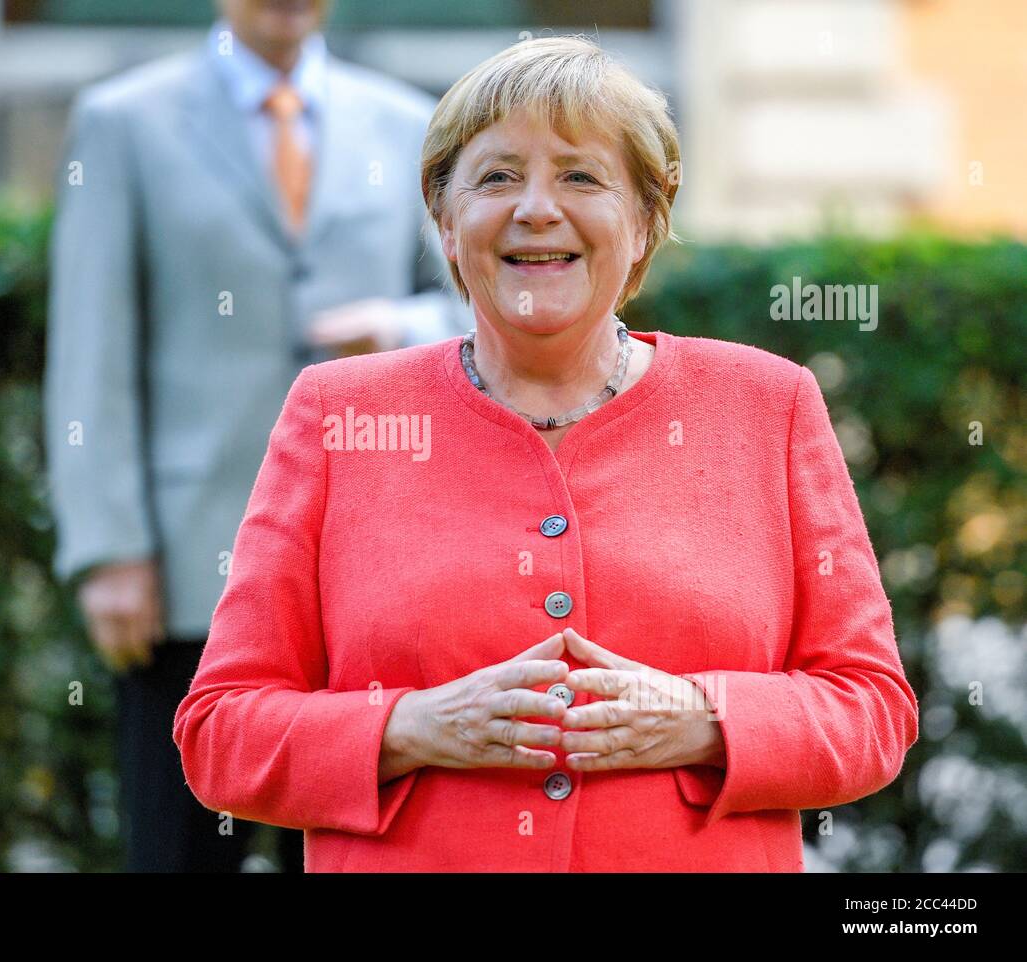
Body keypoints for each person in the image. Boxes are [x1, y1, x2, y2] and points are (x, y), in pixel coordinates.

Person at [172, 35, 920, 871]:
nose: (535, 207)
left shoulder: (767, 405)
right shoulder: (337, 413)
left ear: (644, 224)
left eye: (580, 176)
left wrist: (703, 718)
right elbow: (220, 733)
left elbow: (871, 711)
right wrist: (411, 727)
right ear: (446, 224)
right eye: (495, 177)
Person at [43, 0, 469, 872]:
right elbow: (91, 345)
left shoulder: (406, 121)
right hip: (189, 565)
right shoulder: (124, 122)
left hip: (374, 554)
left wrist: (398, 322)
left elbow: (478, 303)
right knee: (181, 850)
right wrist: (108, 546)